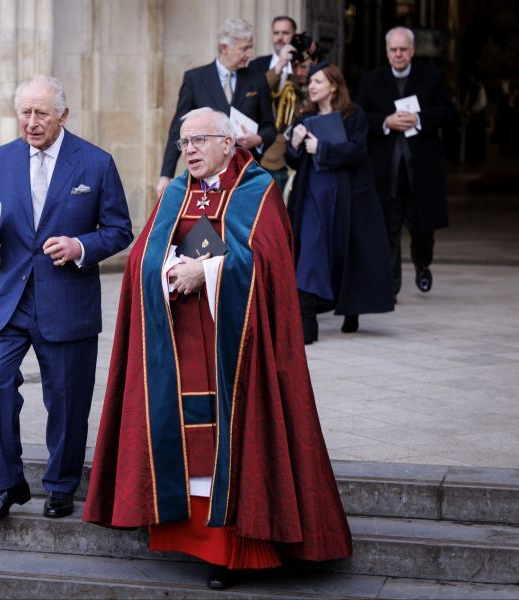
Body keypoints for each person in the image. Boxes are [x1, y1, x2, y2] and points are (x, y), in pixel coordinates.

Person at [84, 108, 352, 590]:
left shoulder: (257, 190)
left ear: (227, 143)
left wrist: (205, 273)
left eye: (199, 141)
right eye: (183, 143)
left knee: (232, 436)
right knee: (186, 439)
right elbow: (141, 258)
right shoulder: (176, 193)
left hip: (235, 346)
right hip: (179, 341)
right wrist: (166, 271)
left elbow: (268, 261)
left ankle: (233, 550)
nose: (188, 150)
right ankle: (184, 536)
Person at [0, 75, 132, 523]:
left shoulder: (96, 163)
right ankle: (7, 485)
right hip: (8, 299)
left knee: (67, 399)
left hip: (67, 301)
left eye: (42, 113)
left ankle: (61, 485)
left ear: (63, 114)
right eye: (25, 112)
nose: (32, 122)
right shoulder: (1, 159)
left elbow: (119, 229)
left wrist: (81, 247)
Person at [286, 63, 394, 343]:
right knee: (309, 251)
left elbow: (358, 151)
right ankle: (307, 321)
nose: (311, 86)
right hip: (312, 193)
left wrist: (322, 148)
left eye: (318, 81)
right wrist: (295, 145)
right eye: (310, 82)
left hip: (347, 194)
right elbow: (293, 161)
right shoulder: (303, 116)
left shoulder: (354, 114)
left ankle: (351, 309)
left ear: (334, 85)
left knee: (347, 251)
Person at [355, 26, 455, 299]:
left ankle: (423, 265)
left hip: (421, 169)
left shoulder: (432, 77)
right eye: (393, 50)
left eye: (403, 49)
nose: (398, 54)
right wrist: (385, 122)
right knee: (389, 226)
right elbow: (359, 116)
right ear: (386, 52)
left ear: (412, 51)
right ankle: (391, 284)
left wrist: (420, 119)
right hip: (386, 170)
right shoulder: (372, 80)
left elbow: (449, 112)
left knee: (423, 228)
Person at [156, 17, 276, 198]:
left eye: (251, 48)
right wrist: (166, 175)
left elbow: (270, 127)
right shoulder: (195, 79)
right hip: (205, 177)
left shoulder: (258, 79)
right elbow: (177, 129)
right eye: (244, 48)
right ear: (224, 48)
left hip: (245, 176)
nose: (250, 54)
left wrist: (257, 139)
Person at [253, 27, 323, 191]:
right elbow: (258, 91)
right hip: (279, 160)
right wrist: (281, 64)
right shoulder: (285, 82)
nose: (299, 72)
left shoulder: (325, 85)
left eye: (305, 67)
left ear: (316, 63)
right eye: (295, 66)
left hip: (314, 159)